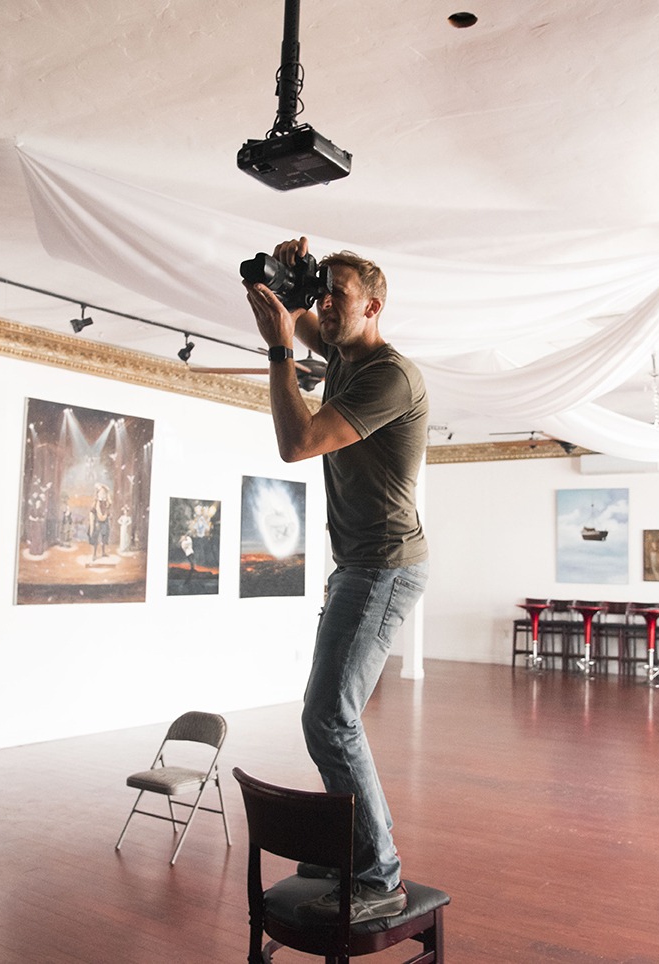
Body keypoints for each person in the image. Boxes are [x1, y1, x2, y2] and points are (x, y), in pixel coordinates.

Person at [244, 236, 429, 924]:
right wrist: (291, 283)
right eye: (322, 293)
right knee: (325, 715)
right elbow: (294, 311)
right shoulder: (344, 353)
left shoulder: (389, 375)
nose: (324, 306)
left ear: (373, 306)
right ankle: (356, 851)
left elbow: (296, 444)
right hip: (355, 565)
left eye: (338, 296)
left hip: (384, 565)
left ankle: (379, 875)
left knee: (329, 716)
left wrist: (280, 348)